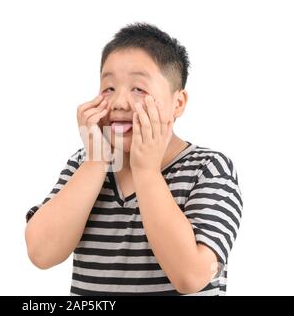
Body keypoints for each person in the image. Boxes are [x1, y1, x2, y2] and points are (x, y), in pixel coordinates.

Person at [25, 22, 243, 296]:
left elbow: (190, 276)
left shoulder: (208, 169)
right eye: (108, 88)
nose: (119, 103)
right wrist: (95, 162)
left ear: (178, 103)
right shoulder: (84, 163)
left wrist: (147, 171)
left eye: (138, 89)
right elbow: (42, 254)